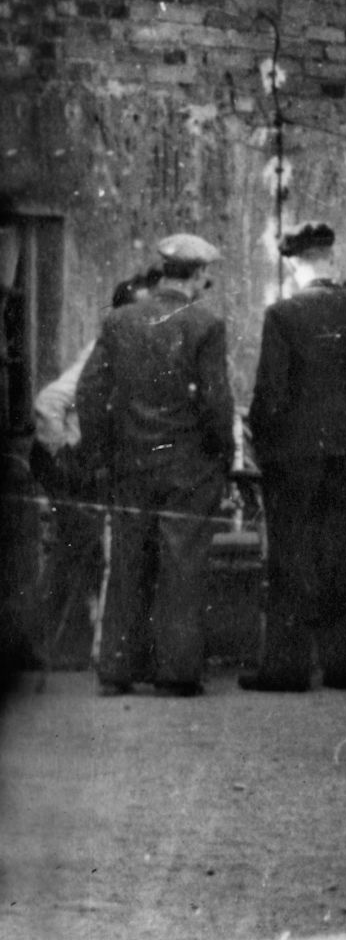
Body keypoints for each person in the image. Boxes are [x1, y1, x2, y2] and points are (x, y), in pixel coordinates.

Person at [245, 222, 346, 691]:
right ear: (331, 260)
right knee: (341, 554)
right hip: (344, 456)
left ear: (296, 264)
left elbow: (268, 396)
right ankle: (344, 667)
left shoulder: (283, 315)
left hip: (292, 459)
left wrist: (265, 445)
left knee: (291, 557)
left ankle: (287, 669)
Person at [74, 237, 234, 695]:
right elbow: (215, 400)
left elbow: (89, 392)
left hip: (131, 463)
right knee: (181, 564)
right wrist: (222, 453)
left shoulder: (120, 321)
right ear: (198, 273)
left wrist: (101, 453)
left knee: (127, 560)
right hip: (188, 466)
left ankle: (118, 669)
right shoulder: (205, 324)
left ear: (163, 270)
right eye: (207, 275)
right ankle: (176, 673)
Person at [31, 273, 150, 672]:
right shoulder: (101, 352)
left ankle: (70, 646)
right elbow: (49, 403)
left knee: (86, 551)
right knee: (74, 550)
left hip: (91, 465)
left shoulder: (131, 353)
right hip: (69, 464)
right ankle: (39, 644)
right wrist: (66, 455)